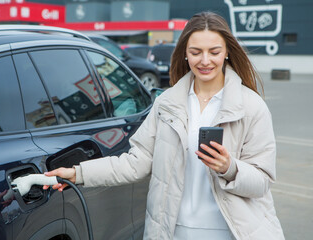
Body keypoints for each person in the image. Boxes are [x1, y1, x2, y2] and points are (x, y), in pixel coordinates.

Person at [43, 11, 285, 240]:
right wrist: (77, 173)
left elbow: (262, 180)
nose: (205, 60)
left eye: (214, 51)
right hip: (173, 230)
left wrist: (229, 168)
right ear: (185, 54)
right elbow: (135, 162)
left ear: (227, 53)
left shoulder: (251, 106)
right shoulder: (167, 104)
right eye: (196, 52)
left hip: (231, 231)